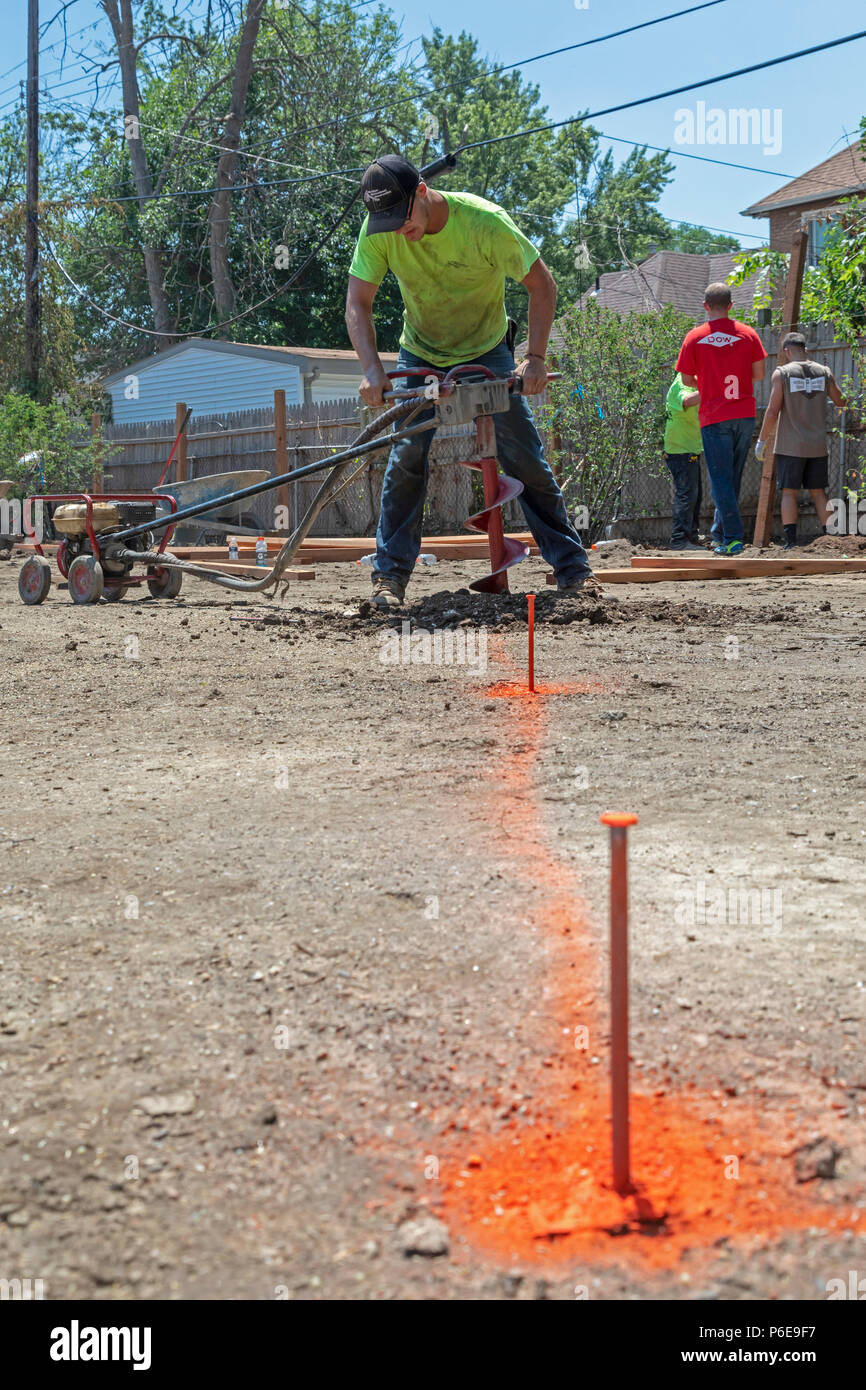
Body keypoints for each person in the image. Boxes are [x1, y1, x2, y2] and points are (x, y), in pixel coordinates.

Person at [344, 154, 592, 610]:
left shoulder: (484, 222)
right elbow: (357, 302)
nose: (400, 232)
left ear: (422, 191)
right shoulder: (379, 231)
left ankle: (573, 571)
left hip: (487, 350)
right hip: (420, 352)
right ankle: (389, 577)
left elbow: (543, 285)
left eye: (403, 220)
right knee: (406, 460)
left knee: (525, 458)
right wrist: (372, 370)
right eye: (388, 224)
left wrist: (534, 359)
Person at [676, 283, 767, 556]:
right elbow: (759, 374)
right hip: (744, 414)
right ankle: (720, 535)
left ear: (705, 306)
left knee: (720, 481)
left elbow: (686, 379)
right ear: (730, 305)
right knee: (731, 479)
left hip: (715, 417)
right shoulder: (748, 334)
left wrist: (709, 380)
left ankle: (733, 537)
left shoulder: (694, 337)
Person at [755, 331, 846, 549]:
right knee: (819, 492)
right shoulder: (824, 372)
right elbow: (842, 401)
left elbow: (772, 411)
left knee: (789, 492)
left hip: (790, 445)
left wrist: (761, 441)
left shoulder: (782, 373)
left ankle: (790, 542)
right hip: (817, 445)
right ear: (806, 349)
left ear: (786, 351)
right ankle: (831, 538)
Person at [663, 372, 705, 551]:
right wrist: (711, 390)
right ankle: (680, 540)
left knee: (695, 495)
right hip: (680, 449)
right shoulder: (682, 381)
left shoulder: (695, 380)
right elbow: (687, 401)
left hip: (691, 448)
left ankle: (691, 535)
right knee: (686, 495)